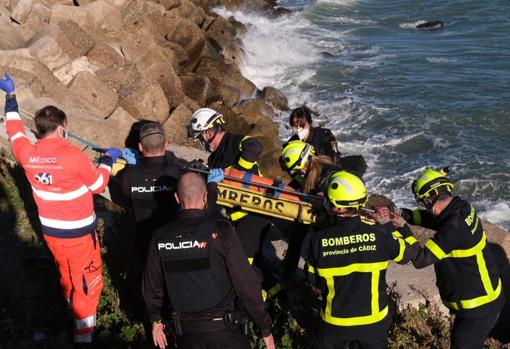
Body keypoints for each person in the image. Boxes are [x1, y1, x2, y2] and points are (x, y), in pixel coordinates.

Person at [1, 73, 117, 346]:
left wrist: (11, 96)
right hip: (79, 235)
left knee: (67, 275)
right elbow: (99, 184)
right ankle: (84, 336)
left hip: (52, 233)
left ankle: (69, 310)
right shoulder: (73, 156)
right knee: (89, 283)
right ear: (62, 127)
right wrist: (109, 160)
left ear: (39, 129)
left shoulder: (27, 153)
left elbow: (14, 129)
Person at [142, 172, 276, 349]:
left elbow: (152, 286)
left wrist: (156, 320)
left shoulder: (160, 237)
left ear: (176, 197)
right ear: (205, 196)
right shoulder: (221, 232)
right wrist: (264, 327)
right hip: (226, 334)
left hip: (187, 337)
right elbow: (246, 283)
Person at [392, 168, 504, 349]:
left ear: (430, 198)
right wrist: (405, 214)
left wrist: (404, 229)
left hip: (478, 307)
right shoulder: (461, 207)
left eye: (424, 202)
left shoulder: (452, 228)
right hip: (484, 299)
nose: (425, 206)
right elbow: (435, 219)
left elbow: (421, 259)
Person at [306, 170, 414, 349]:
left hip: (334, 324)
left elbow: (313, 279)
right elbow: (406, 255)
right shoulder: (380, 235)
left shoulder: (318, 241)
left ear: (337, 208)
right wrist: (389, 226)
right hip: (373, 323)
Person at [187, 107, 281, 297]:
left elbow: (255, 147)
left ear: (208, 132)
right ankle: (276, 295)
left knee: (241, 266)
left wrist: (236, 172)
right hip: (238, 217)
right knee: (258, 262)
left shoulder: (235, 141)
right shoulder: (214, 158)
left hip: (253, 213)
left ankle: (255, 302)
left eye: (200, 138)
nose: (201, 142)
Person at [109, 121, 184, 264]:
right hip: (173, 243)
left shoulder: (129, 174)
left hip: (144, 245)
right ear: (166, 144)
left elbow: (125, 201)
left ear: (140, 146)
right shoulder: (177, 172)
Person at [286, 106, 366, 178]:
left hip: (328, 172)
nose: (298, 130)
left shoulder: (326, 134)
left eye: (302, 126)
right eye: (295, 127)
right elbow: (284, 161)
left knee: (358, 161)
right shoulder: (293, 141)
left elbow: (335, 157)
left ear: (309, 123)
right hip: (305, 177)